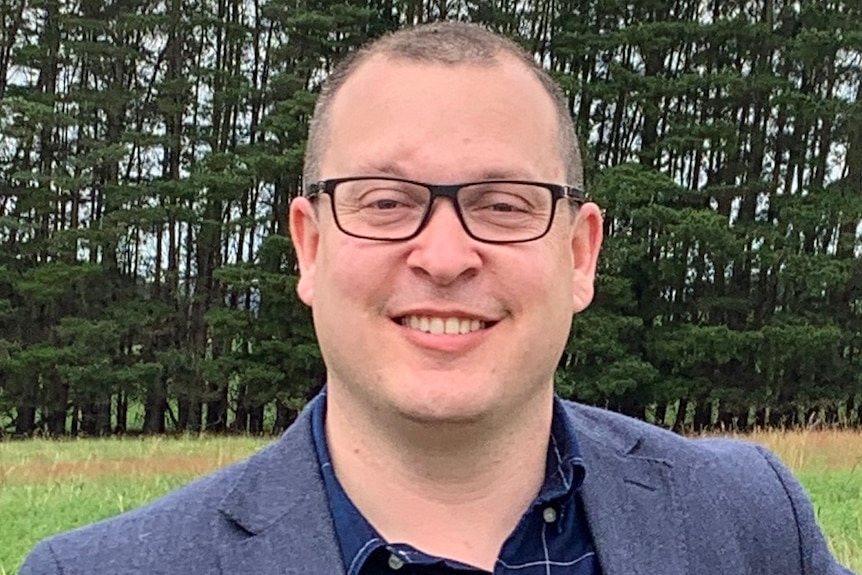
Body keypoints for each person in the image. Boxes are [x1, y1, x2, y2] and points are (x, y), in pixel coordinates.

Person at [21, 21, 854, 575]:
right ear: (309, 246)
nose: (446, 256)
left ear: (580, 252)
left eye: (503, 203)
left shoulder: (749, 524)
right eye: (385, 201)